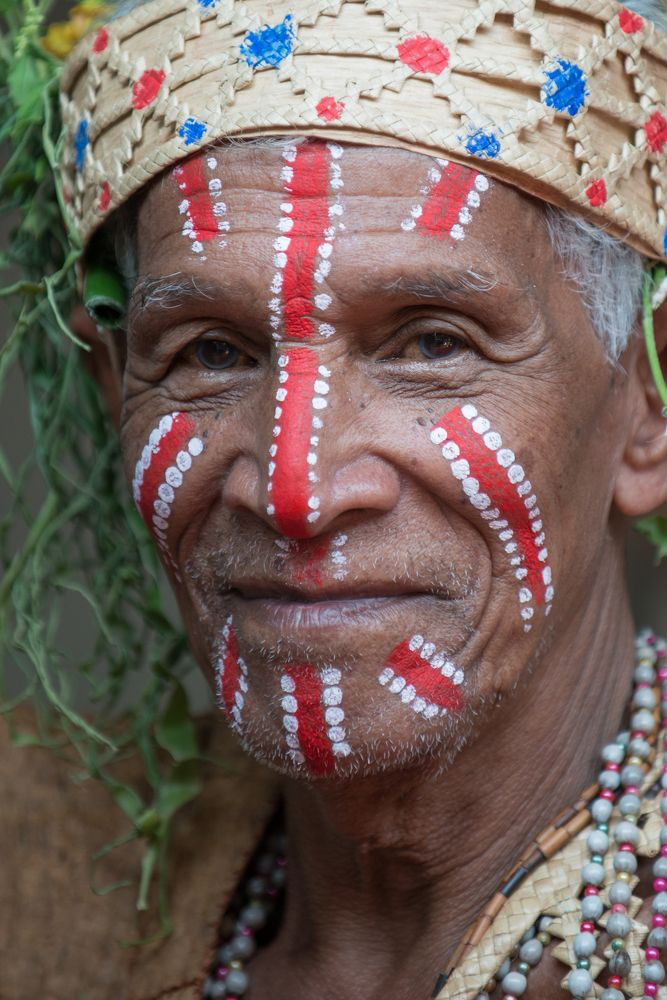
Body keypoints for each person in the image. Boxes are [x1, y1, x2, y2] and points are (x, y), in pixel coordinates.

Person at [2, 0, 667, 997]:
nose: (294, 490)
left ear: (647, 404)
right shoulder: (35, 892)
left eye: (433, 344)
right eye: (209, 354)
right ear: (113, 394)